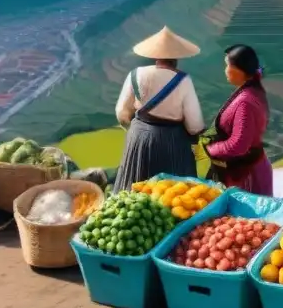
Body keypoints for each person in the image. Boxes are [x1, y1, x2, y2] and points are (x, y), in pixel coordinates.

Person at [114, 27, 206, 191]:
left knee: (134, 188)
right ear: (177, 57)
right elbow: (195, 125)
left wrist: (135, 130)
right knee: (174, 194)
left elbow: (122, 112)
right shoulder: (183, 80)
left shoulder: (135, 74)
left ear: (155, 55)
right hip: (172, 141)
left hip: (139, 136)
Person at [200, 45, 273, 196]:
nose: (225, 70)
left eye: (228, 65)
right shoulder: (252, 92)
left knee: (248, 219)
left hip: (247, 176)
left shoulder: (245, 102)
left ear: (239, 70)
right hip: (252, 168)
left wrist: (210, 150)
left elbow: (239, 144)